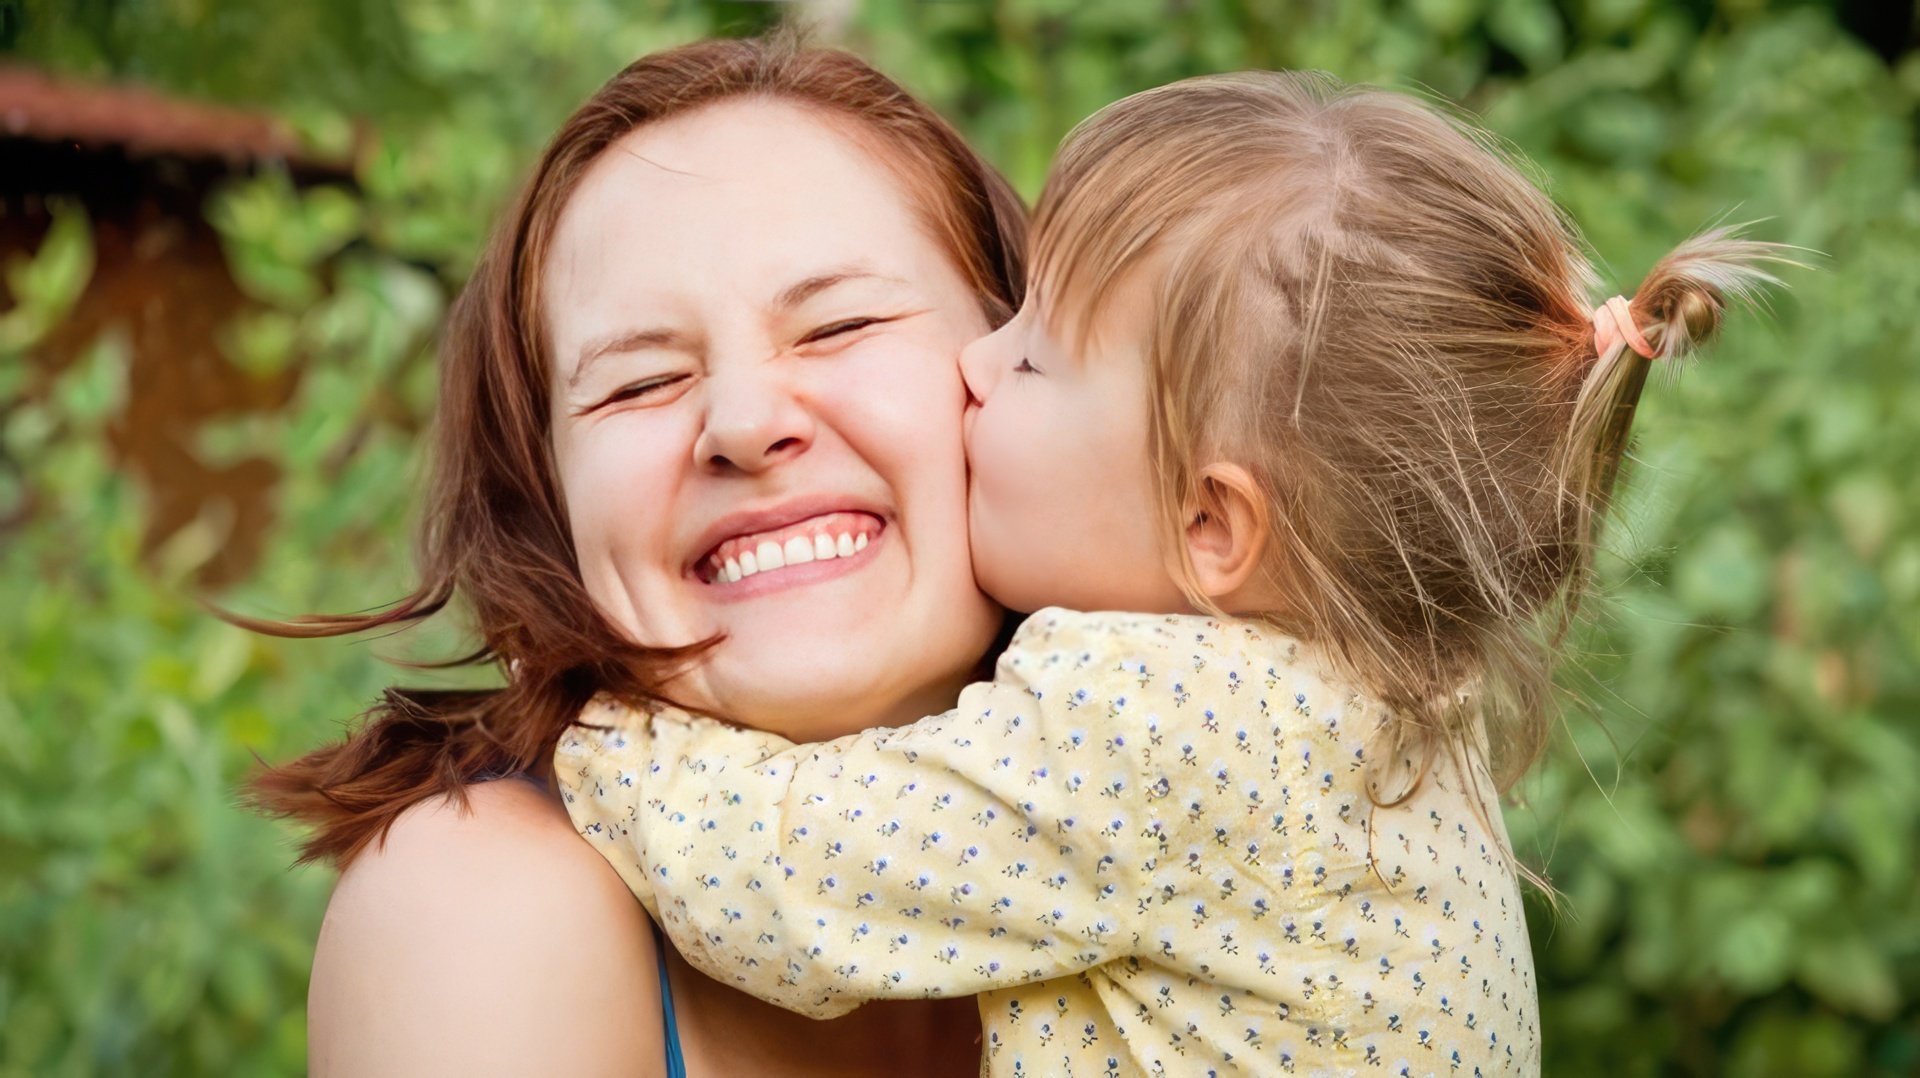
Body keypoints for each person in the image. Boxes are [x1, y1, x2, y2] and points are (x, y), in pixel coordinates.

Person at [557, 71, 1787, 1075]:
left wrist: (594, 720)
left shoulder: (1160, 721)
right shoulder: (1388, 699)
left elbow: (781, 885)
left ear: (1210, 523)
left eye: (1034, 359)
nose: (976, 368)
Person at [243, 36, 1026, 1076]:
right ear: (546, 503)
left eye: (839, 323)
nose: (744, 423)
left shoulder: (1253, 789)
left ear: (1029, 365)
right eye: (638, 383)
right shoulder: (477, 905)